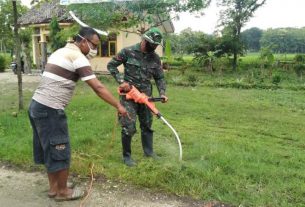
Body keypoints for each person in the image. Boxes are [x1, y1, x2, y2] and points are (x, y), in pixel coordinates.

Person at [28, 27, 127, 201]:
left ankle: (54, 188)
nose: (95, 50)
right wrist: (118, 105)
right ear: (83, 42)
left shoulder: (61, 51)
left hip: (36, 106)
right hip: (50, 109)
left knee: (49, 150)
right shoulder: (77, 57)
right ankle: (63, 192)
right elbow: (98, 87)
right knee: (60, 149)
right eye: (94, 45)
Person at [107, 27, 168, 167]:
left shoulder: (155, 58)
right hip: (129, 96)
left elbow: (159, 78)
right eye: (152, 44)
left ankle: (149, 152)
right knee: (128, 125)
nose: (154, 47)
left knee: (147, 125)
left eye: (156, 45)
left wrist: (163, 93)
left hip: (146, 97)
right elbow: (111, 65)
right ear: (144, 40)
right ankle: (127, 157)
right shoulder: (127, 52)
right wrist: (122, 81)